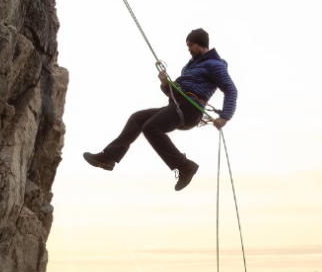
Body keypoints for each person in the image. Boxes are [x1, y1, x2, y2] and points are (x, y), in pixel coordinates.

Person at [83, 28, 238, 191]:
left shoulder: (214, 64)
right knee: (138, 118)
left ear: (201, 44)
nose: (188, 49)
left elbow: (230, 89)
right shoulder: (190, 67)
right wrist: (165, 83)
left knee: (151, 127)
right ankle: (109, 157)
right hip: (179, 106)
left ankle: (184, 166)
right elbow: (173, 94)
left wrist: (225, 116)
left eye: (190, 45)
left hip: (190, 109)